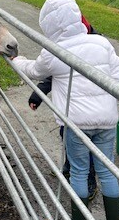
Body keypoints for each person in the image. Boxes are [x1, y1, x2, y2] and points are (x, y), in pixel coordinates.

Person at [11, 0, 119, 220]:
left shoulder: (55, 50)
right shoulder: (101, 42)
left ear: (49, 24)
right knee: (107, 171)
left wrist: (15, 60)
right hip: (106, 121)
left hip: (76, 124)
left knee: (78, 170)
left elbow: (34, 70)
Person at [28, 13, 98, 202]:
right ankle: (69, 164)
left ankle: (90, 179)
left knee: (85, 144)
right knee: (65, 133)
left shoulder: (95, 45)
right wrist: (38, 94)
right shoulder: (66, 45)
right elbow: (53, 72)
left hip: (88, 106)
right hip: (69, 105)